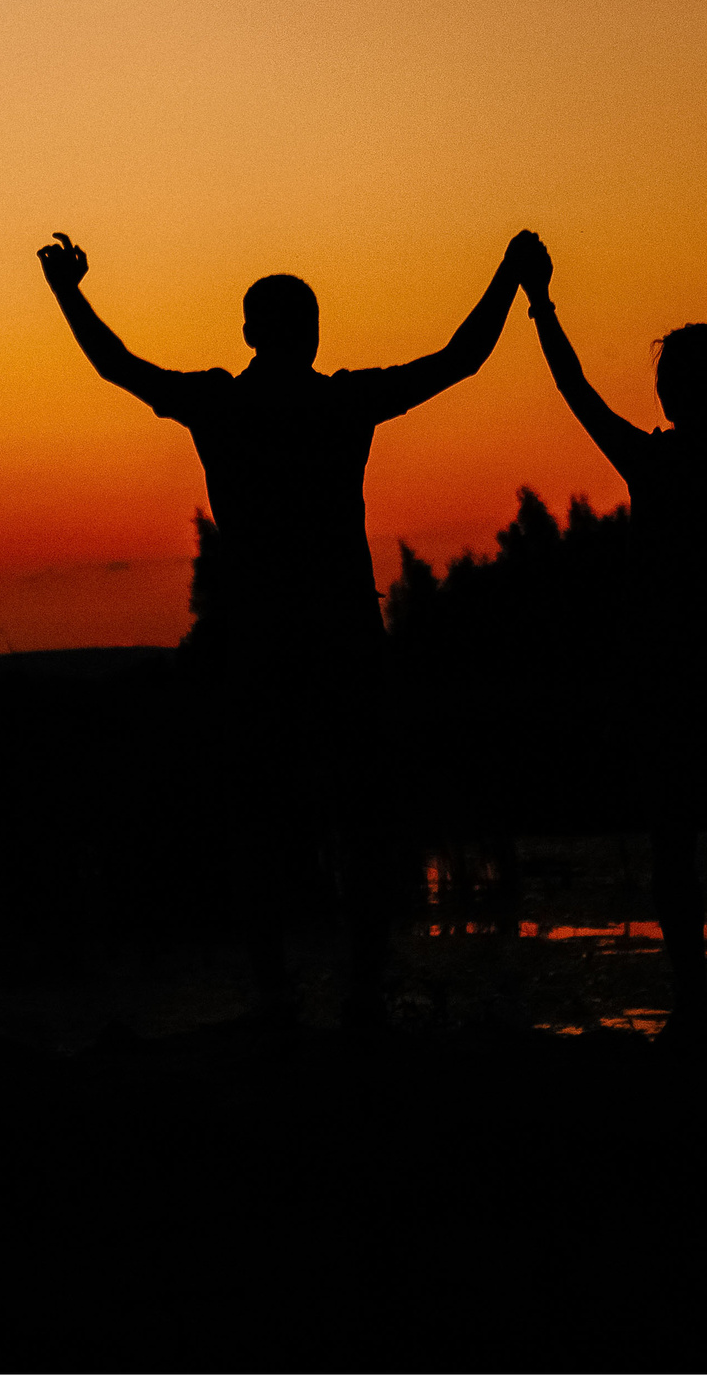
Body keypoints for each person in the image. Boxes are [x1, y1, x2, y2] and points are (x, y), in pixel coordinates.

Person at [36, 228, 544, 1024]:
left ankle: (277, 997)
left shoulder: (222, 401)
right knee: (362, 821)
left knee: (262, 824)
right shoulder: (340, 401)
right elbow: (461, 358)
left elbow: (119, 366)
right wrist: (510, 277)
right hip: (341, 640)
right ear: (310, 332)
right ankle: (363, 993)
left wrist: (69, 291)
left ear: (248, 332)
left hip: (258, 645)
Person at [512, 230, 707, 1047]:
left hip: (671, 680)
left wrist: (541, 305)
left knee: (675, 847)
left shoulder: (655, 464)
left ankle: (696, 1009)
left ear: (676, 392)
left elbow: (576, 391)